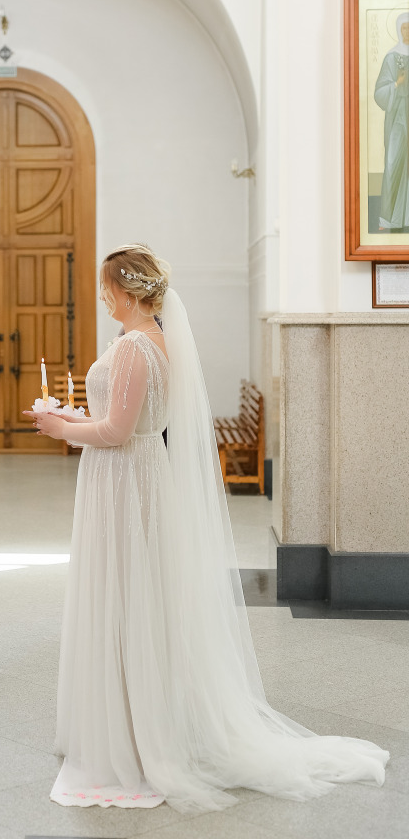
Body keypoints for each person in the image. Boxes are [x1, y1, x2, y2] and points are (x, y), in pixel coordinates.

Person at [30, 244, 388, 812]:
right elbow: (131, 423)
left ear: (125, 288)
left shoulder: (132, 347)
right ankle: (138, 717)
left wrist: (58, 427)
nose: (102, 296)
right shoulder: (160, 343)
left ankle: (131, 733)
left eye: (106, 286)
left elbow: (119, 433)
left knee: (124, 594)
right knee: (138, 595)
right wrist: (79, 420)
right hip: (138, 474)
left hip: (123, 479)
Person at [375, 12, 409, 230]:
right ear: (399, 30)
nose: (408, 32)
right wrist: (396, 84)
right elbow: (379, 91)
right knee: (393, 161)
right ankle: (388, 219)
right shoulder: (391, 57)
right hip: (398, 116)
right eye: (405, 28)